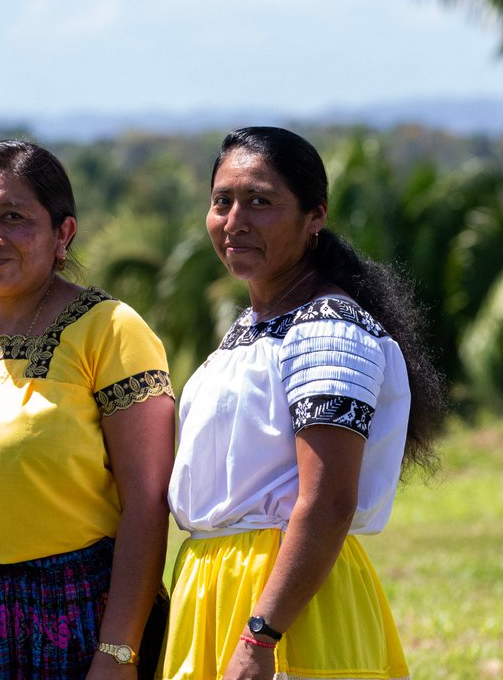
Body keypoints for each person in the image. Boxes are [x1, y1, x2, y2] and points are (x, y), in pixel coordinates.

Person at [0, 139, 176, 679]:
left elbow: (146, 504)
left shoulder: (110, 331)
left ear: (63, 233)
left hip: (63, 617)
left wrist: (117, 653)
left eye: (13, 217)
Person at [161, 127, 446, 680]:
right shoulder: (252, 328)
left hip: (287, 609)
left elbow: (329, 500)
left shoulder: (328, 331)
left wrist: (259, 635)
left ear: (314, 216)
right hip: (216, 591)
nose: (235, 220)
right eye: (223, 201)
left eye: (260, 202)